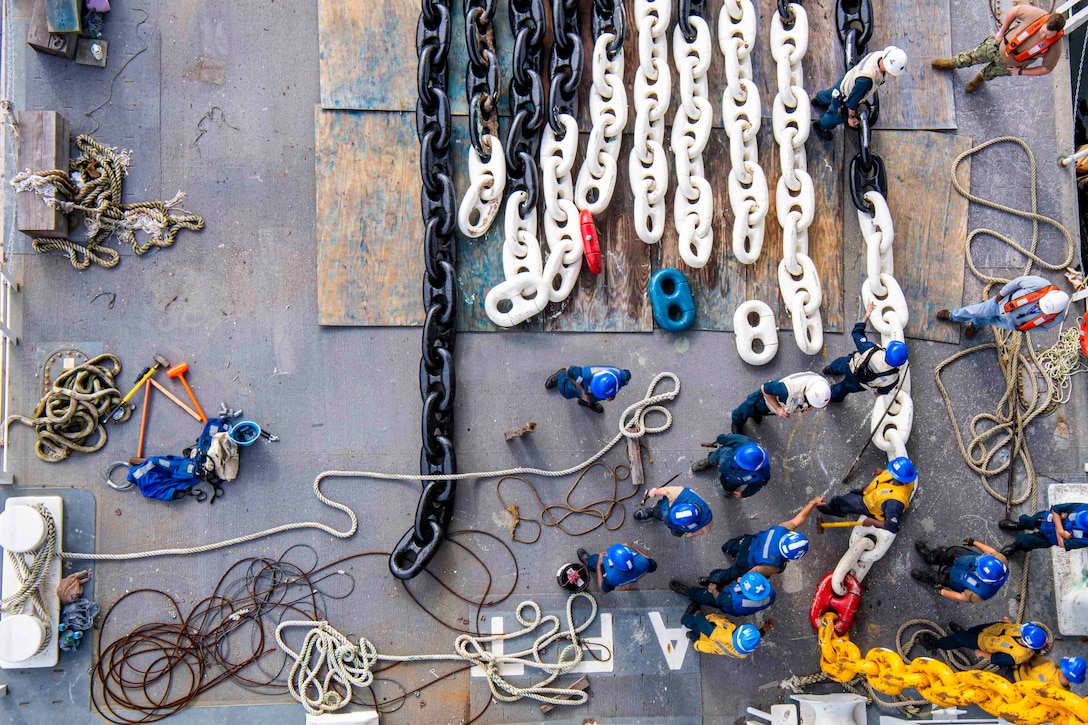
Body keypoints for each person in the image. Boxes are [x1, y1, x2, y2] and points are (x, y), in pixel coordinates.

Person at [932, 8, 1065, 94]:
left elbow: (1046, 69)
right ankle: (953, 63)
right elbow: (1015, 11)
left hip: (1011, 65)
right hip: (998, 45)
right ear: (1044, 23)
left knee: (991, 73)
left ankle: (980, 78)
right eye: (1043, 32)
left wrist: (1020, 72)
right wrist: (1001, 32)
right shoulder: (1036, 15)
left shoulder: (1055, 47)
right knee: (974, 55)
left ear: (1056, 33)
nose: (1043, 36)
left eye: (1047, 36)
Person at [707, 496, 824, 585]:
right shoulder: (774, 565)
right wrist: (742, 580)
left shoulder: (782, 530)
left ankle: (726, 548)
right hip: (746, 562)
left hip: (748, 541)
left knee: (734, 544)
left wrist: (812, 503)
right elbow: (754, 571)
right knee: (731, 574)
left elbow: (800, 518)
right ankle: (712, 580)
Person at [810, 46, 907, 136]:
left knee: (830, 93)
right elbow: (852, 101)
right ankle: (820, 125)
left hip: (847, 81)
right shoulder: (867, 80)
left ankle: (818, 100)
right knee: (835, 116)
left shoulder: (879, 55)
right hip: (845, 97)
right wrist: (851, 117)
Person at [823, 301, 908, 403]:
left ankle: (829, 370)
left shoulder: (871, 351)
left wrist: (866, 315)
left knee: (839, 364)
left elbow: (857, 333)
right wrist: (879, 393)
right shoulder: (893, 378)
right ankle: (834, 397)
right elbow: (882, 390)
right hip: (860, 384)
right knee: (844, 388)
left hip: (850, 366)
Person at [936, 276, 1070, 338]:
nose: (1041, 309)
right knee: (977, 311)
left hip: (1012, 323)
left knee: (988, 320)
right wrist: (1001, 294)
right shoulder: (1040, 284)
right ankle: (953, 315)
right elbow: (1017, 283)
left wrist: (1022, 328)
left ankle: (975, 325)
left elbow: (1042, 327)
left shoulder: (1057, 318)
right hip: (1001, 305)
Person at [817, 457, 917, 534]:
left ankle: (833, 509)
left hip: (869, 505)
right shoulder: (906, 478)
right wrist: (883, 472)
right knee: (853, 493)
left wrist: (873, 521)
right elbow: (893, 475)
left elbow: (892, 526)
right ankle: (842, 506)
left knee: (843, 501)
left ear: (898, 478)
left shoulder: (894, 503)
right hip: (871, 492)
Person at [911, 537, 1009, 603]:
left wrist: (942, 592)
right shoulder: (1000, 561)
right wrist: (974, 542)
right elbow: (992, 552)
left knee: (938, 579)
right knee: (943, 552)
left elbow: (961, 597)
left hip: (957, 578)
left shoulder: (980, 594)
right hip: (964, 558)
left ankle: (928, 578)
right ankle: (930, 557)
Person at [918, 618, 1049, 666]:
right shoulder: (1025, 631)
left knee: (959, 639)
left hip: (982, 643)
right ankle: (965, 633)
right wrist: (1009, 624)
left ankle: (937, 644)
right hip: (990, 630)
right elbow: (1017, 628)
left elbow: (995, 658)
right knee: (972, 630)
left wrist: (981, 653)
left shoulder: (1017, 655)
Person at [730, 372, 831, 434]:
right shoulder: (785, 390)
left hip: (779, 404)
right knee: (746, 409)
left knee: (760, 412)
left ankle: (756, 414)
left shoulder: (819, 384)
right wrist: (777, 408)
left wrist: (811, 405)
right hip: (764, 400)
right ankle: (737, 421)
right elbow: (765, 389)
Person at [681, 601, 774, 658]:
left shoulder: (718, 633)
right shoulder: (743, 652)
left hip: (705, 637)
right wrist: (763, 630)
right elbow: (750, 640)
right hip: (711, 644)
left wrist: (697, 614)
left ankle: (691, 631)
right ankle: (692, 636)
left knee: (688, 621)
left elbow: (703, 625)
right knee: (697, 639)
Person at [691, 434, 771, 499]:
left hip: (733, 479)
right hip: (723, 458)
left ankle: (726, 488)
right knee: (713, 458)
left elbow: (755, 487)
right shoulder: (744, 442)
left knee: (727, 486)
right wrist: (721, 439)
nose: (736, 459)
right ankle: (709, 461)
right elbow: (724, 439)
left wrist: (744, 494)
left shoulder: (762, 475)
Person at [670, 571, 776, 617]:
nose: (740, 579)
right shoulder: (769, 592)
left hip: (727, 603)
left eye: (743, 583)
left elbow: (720, 599)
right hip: (736, 602)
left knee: (705, 596)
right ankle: (714, 582)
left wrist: (714, 591)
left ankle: (690, 592)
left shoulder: (735, 600)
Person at [998, 503, 1088, 556]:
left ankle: (1017, 545)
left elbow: (1062, 544)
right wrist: (1060, 531)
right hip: (1047, 519)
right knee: (1030, 520)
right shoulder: (1083, 508)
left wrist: (1059, 519)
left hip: (1050, 538)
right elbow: (1056, 509)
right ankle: (1019, 525)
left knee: (1030, 541)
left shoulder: (1085, 539)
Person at [634, 485, 713, 538]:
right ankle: (653, 512)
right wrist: (654, 492)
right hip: (666, 509)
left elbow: (704, 530)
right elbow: (665, 491)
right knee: (661, 511)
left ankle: (675, 529)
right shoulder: (679, 493)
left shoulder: (707, 520)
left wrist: (692, 534)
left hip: (680, 528)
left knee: (675, 532)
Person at [545, 365, 632, 413]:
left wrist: (611, 396)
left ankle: (587, 403)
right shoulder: (585, 374)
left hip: (596, 393)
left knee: (591, 399)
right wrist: (582, 390)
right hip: (582, 384)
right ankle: (560, 375)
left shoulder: (622, 377)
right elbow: (569, 370)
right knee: (567, 391)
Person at [576, 543, 656, 593]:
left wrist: (599, 566)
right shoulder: (644, 563)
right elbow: (651, 563)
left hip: (617, 577)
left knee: (594, 560)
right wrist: (631, 546)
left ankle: (590, 564)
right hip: (633, 576)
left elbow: (603, 590)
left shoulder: (612, 578)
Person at [1009, 654, 1086, 689]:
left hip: (1013, 673)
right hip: (1018, 690)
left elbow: (1029, 656)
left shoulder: (1048, 664)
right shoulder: (1064, 696)